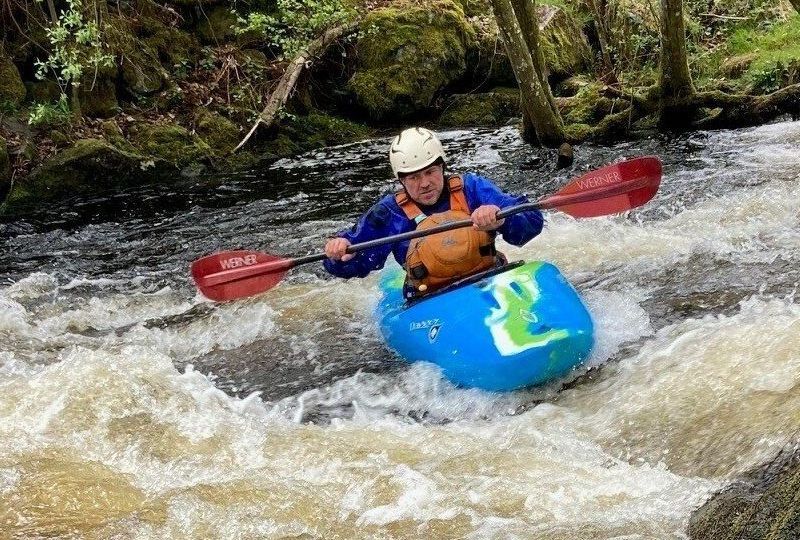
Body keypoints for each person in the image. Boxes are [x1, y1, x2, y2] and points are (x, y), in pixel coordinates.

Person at [323, 127, 544, 298]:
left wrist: (501, 219)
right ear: (401, 180)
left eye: (430, 172)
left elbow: (532, 221)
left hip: (488, 279)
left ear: (442, 167)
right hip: (429, 298)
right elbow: (356, 262)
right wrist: (340, 255)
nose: (425, 183)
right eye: (414, 177)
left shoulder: (472, 188)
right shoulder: (388, 213)